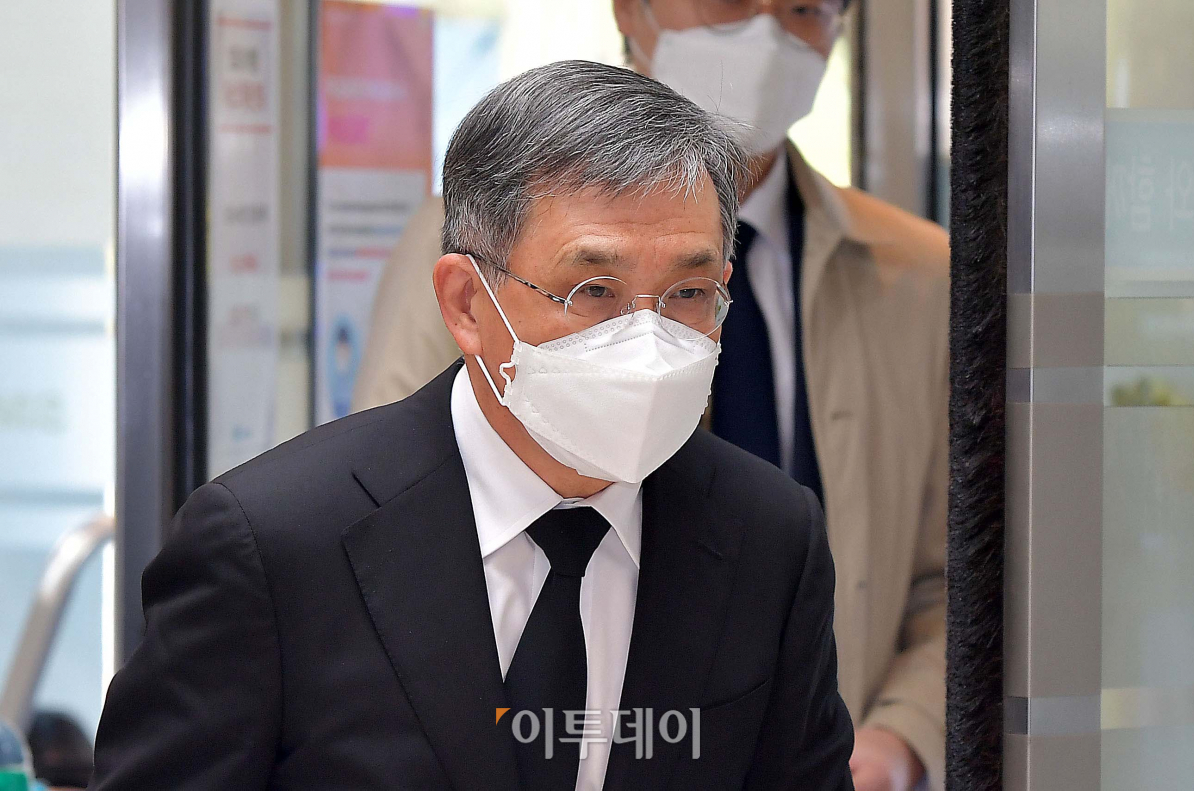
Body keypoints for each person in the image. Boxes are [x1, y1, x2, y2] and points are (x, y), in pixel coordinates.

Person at [90, 61, 854, 790]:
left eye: (687, 293)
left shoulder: (767, 536)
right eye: (593, 290)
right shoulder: (275, 545)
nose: (646, 339)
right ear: (465, 302)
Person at [354, 3, 949, 791]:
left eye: (804, 8)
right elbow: (389, 525)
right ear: (629, 10)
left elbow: (957, 569)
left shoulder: (920, 275)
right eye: (593, 288)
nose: (766, 34)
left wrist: (900, 734)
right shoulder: (484, 245)